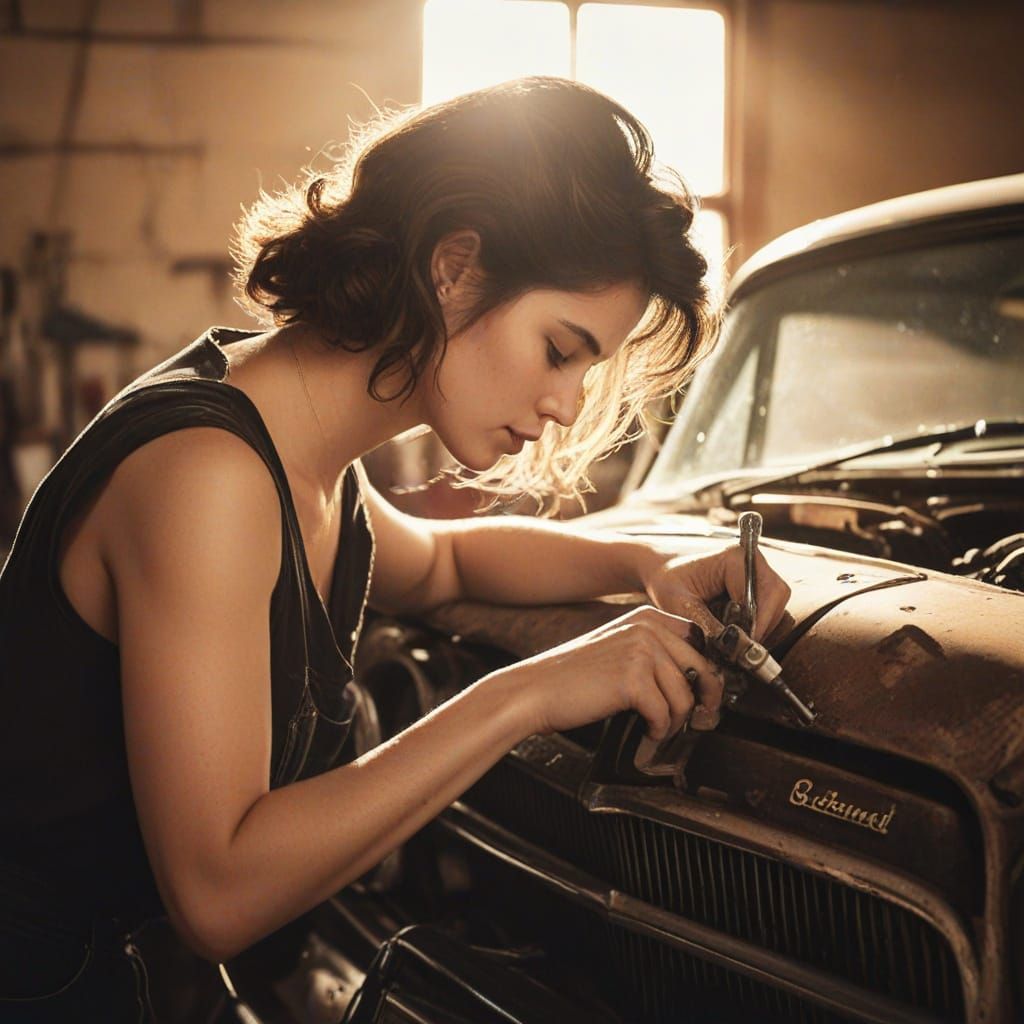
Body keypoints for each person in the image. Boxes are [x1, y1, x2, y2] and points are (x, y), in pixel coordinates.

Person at [0, 77, 791, 1021]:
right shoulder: (209, 476)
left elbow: (445, 564)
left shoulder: (304, 451)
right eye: (559, 349)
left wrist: (642, 564)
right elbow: (218, 896)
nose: (567, 403)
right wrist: (527, 695)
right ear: (453, 267)